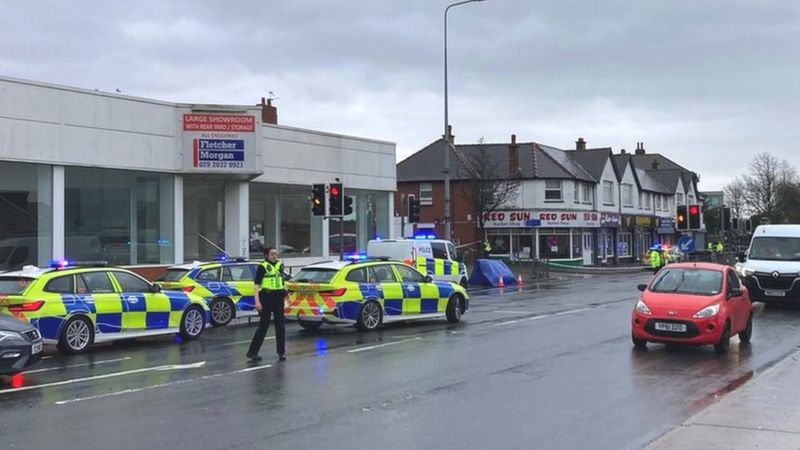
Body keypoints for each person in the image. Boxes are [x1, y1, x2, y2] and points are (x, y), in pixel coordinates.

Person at [247, 246, 289, 362]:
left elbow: (281, 280)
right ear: (266, 255)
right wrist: (257, 301)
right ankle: (252, 352)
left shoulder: (279, 265)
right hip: (266, 296)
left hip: (278, 296)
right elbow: (256, 285)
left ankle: (282, 352)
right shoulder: (262, 267)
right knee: (263, 326)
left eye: (276, 254)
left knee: (280, 325)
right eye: (272, 254)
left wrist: (285, 294)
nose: (275, 256)